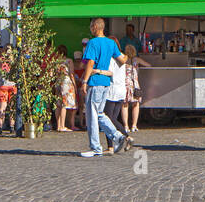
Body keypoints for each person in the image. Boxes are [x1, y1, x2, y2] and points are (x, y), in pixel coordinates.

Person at [78, 18, 129, 157]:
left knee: (92, 115)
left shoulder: (92, 43)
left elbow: (90, 62)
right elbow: (122, 59)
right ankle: (117, 136)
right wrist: (128, 54)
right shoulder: (111, 43)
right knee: (100, 113)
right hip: (106, 82)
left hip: (95, 81)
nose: (90, 29)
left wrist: (84, 81)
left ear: (95, 27)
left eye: (91, 26)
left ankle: (95, 147)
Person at [55, 44, 79, 132]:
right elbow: (71, 74)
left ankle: (58, 125)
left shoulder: (56, 61)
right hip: (66, 82)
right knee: (64, 104)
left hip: (58, 82)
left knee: (58, 104)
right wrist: (75, 85)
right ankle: (62, 125)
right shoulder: (69, 61)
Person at [124, 43, 148, 132]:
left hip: (125, 83)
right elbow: (148, 65)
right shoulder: (136, 59)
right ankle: (134, 125)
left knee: (125, 105)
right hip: (135, 84)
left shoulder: (123, 59)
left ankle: (126, 126)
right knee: (135, 104)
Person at [0, 46, 17, 134]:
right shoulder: (14, 61)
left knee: (2, 107)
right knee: (12, 106)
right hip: (13, 85)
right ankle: (12, 127)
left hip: (2, 85)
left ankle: (0, 127)